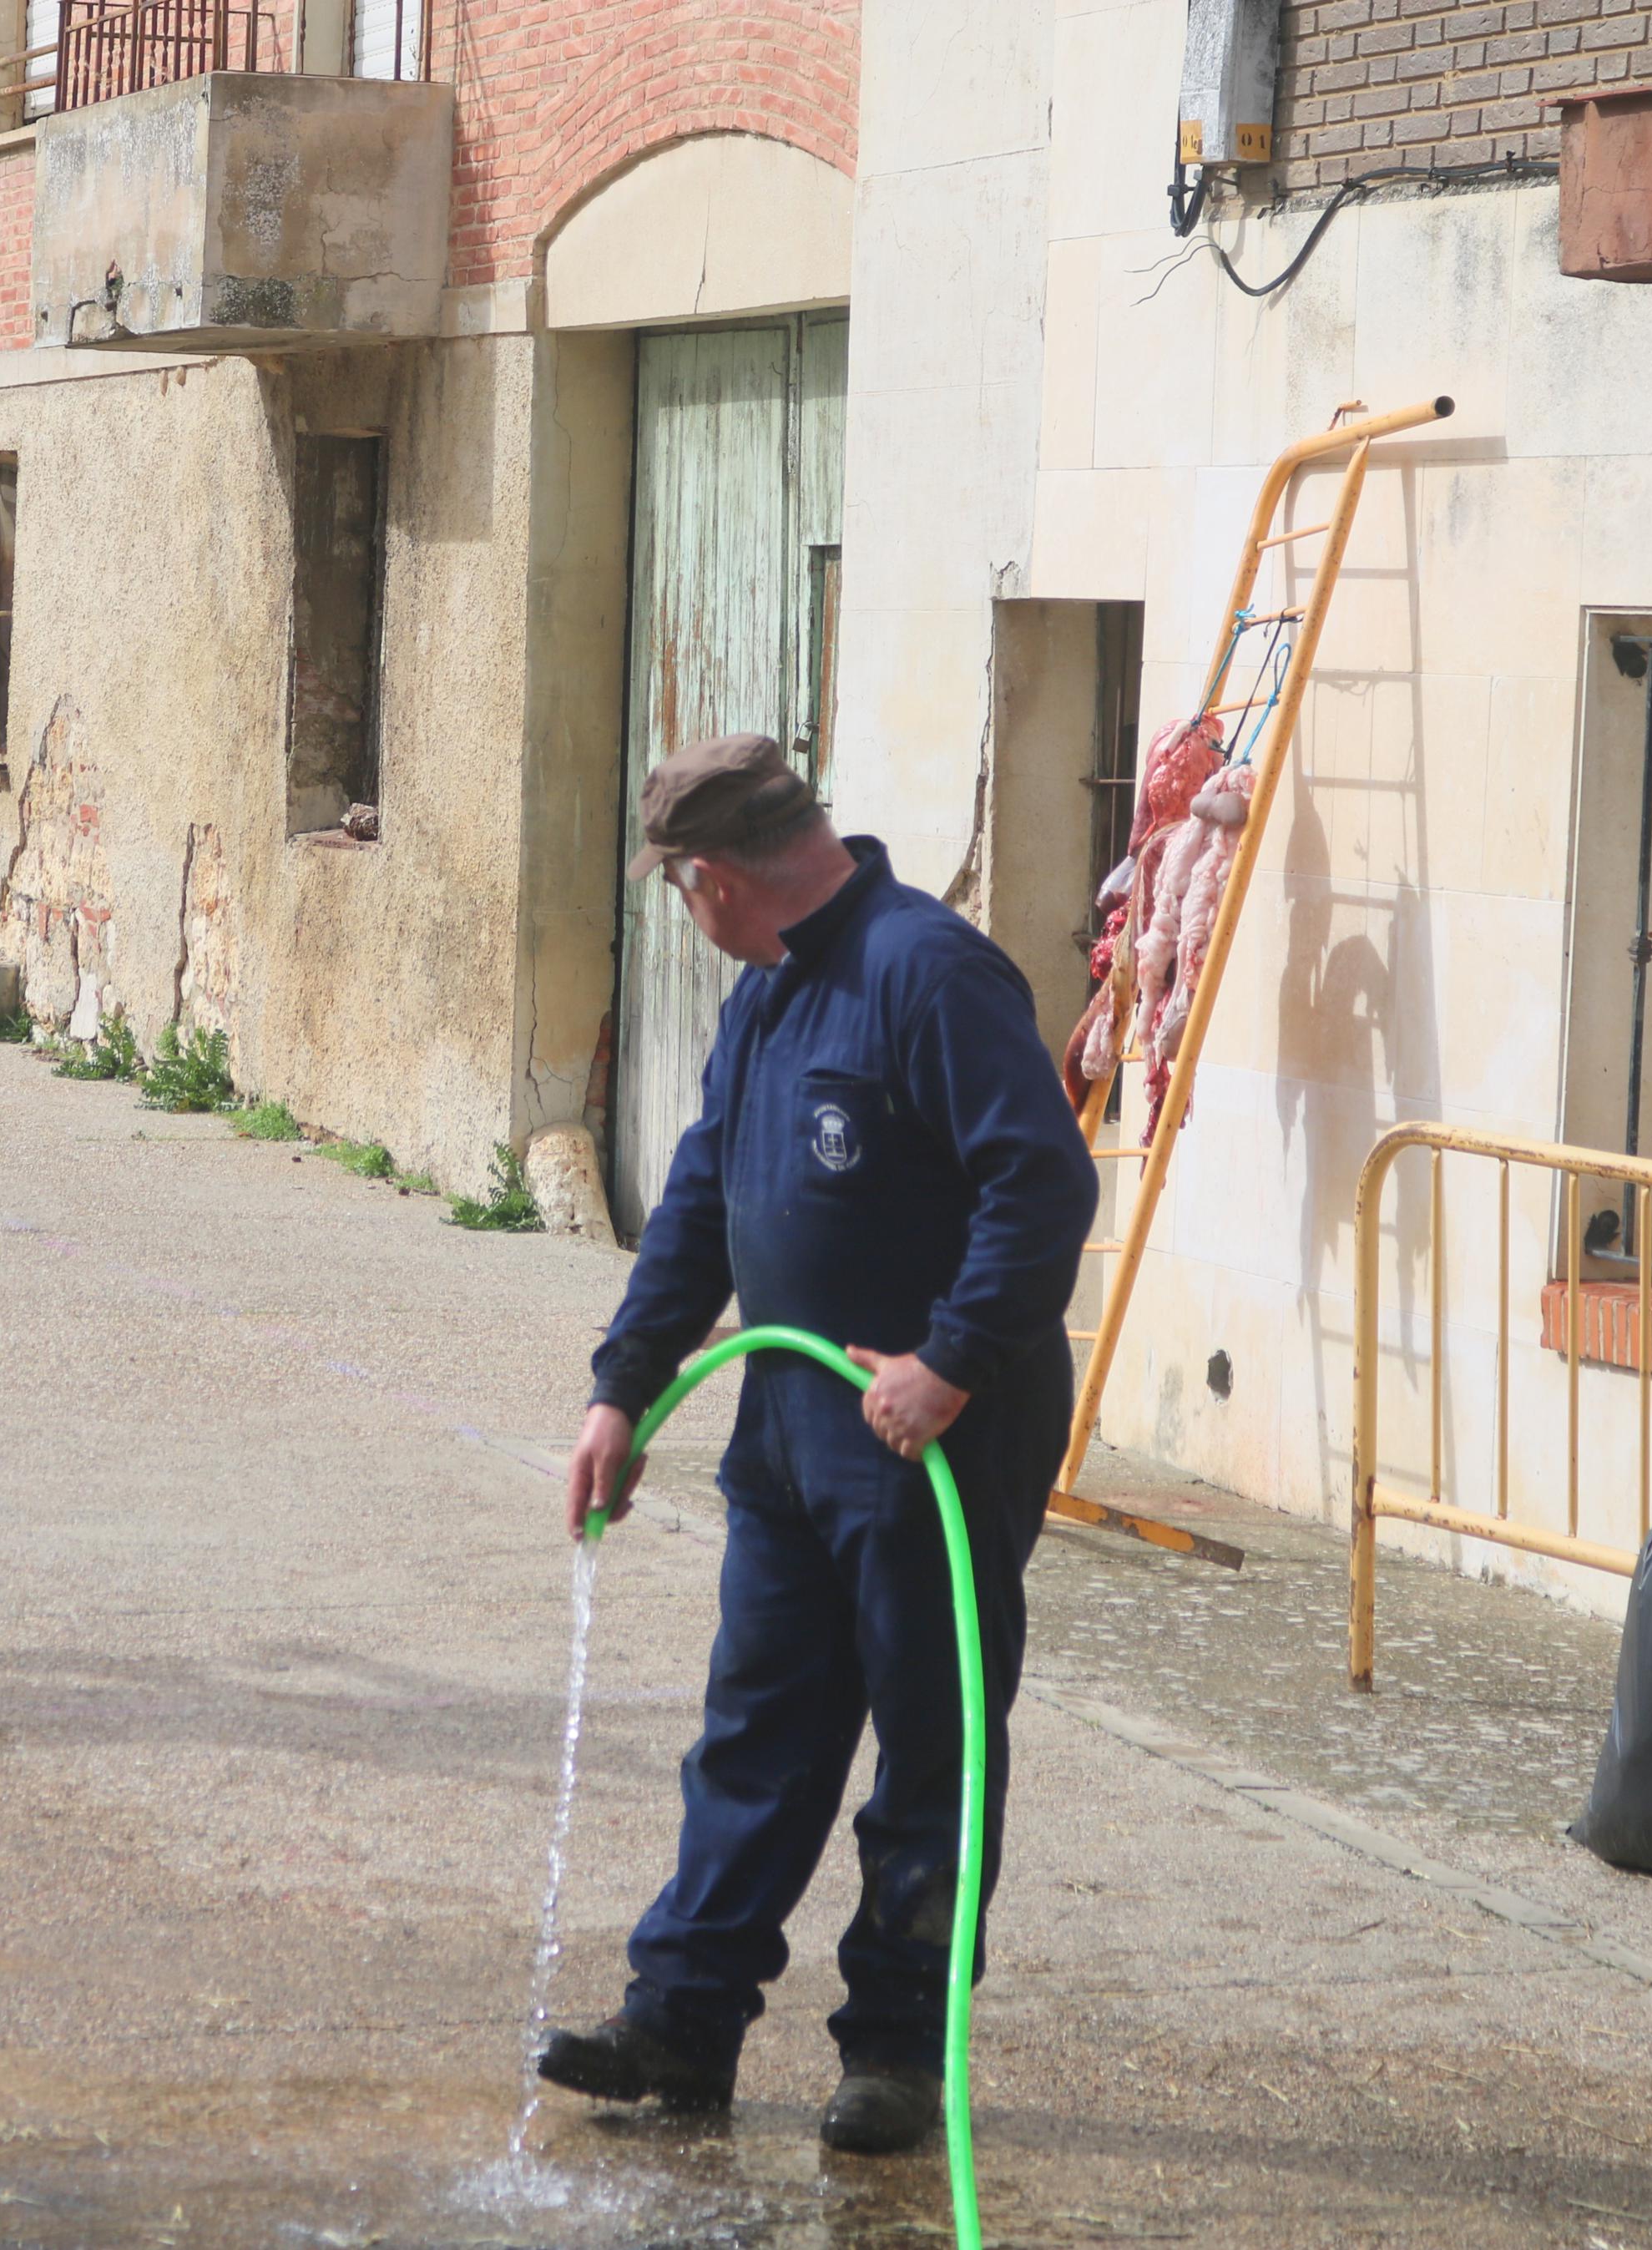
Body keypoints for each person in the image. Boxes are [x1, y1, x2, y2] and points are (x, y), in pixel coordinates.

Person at [538, 731, 1098, 2155]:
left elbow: (1042, 1186)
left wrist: (953, 1364)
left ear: (712, 879)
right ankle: (684, 2015)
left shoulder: (926, 972)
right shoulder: (770, 998)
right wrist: (625, 1389)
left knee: (929, 1747)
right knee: (758, 1732)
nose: (689, 915)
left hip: (932, 1449)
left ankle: (900, 2049)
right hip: (787, 1434)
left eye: (677, 891)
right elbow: (703, 1207)